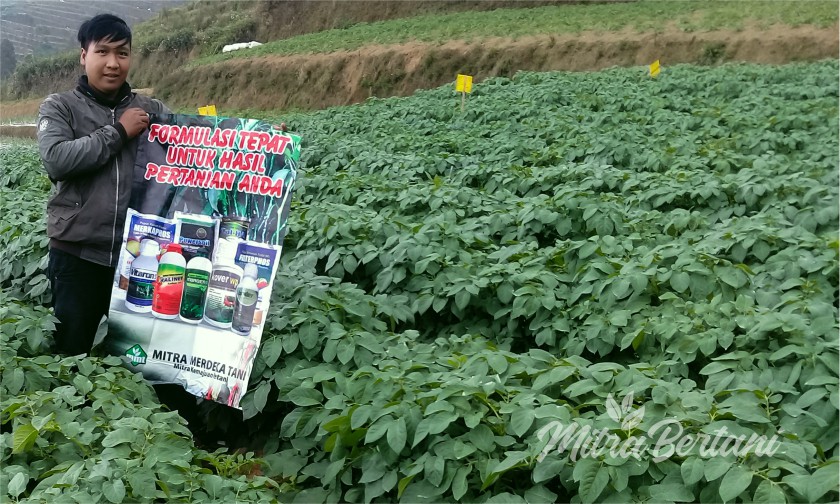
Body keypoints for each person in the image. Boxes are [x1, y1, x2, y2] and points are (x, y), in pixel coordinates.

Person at [37, 14, 170, 356]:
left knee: (142, 358)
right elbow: (57, 159)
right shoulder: (61, 107)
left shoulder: (152, 110)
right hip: (77, 256)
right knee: (71, 353)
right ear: (84, 55)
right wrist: (119, 131)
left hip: (139, 258)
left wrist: (260, 141)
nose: (113, 63)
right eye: (103, 52)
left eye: (122, 53)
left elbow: (197, 149)